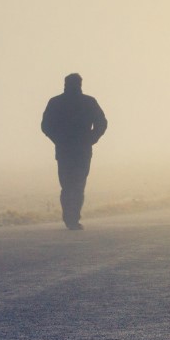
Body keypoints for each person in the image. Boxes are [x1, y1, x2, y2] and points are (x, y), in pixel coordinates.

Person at [40, 73, 107, 230]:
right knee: (77, 185)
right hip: (82, 149)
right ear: (80, 84)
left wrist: (58, 139)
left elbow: (46, 125)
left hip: (65, 150)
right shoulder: (88, 102)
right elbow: (102, 123)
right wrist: (92, 138)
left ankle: (70, 218)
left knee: (67, 185)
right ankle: (73, 218)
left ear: (65, 83)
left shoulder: (56, 102)